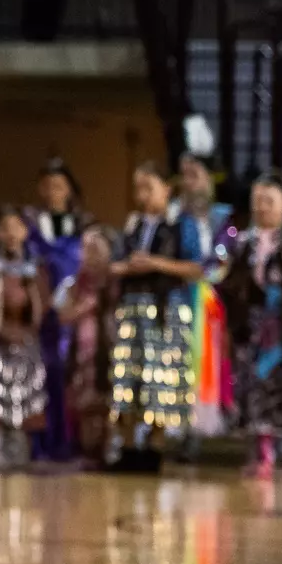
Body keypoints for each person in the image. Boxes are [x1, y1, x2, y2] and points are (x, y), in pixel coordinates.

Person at [219, 176, 282, 477]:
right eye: (258, 201)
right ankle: (262, 451)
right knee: (253, 385)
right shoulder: (243, 242)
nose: (262, 207)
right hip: (254, 326)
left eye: (269, 201)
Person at [107, 162, 204, 469]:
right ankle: (126, 444)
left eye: (149, 187)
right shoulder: (134, 223)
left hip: (166, 309)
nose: (143, 195)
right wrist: (123, 268)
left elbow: (195, 268)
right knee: (129, 374)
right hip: (133, 306)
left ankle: (156, 444)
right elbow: (118, 261)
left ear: (167, 189)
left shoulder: (182, 224)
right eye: (139, 188)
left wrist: (155, 264)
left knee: (160, 377)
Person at [26, 158, 90, 460]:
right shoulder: (31, 226)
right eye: (48, 186)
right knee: (42, 373)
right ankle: (43, 442)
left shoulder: (84, 225)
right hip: (42, 308)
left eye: (60, 186)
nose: (54, 192)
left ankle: (73, 441)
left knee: (72, 372)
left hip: (73, 309)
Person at [176, 115, 233, 439]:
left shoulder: (222, 218)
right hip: (176, 298)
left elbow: (221, 261)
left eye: (195, 175)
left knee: (204, 364)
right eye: (184, 176)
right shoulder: (174, 214)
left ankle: (200, 426)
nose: (189, 183)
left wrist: (201, 274)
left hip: (208, 303)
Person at [0, 208, 49, 465]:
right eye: (4, 227)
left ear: (26, 232)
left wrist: (27, 330)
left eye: (16, 227)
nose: (10, 233)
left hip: (27, 340)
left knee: (28, 394)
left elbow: (43, 303)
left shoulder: (35, 266)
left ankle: (25, 450)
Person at [55, 225, 117, 463]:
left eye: (97, 249)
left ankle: (105, 449)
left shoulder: (116, 283)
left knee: (105, 402)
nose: (90, 255)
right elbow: (61, 315)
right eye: (86, 249)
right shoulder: (72, 285)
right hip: (78, 353)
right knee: (81, 403)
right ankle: (84, 449)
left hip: (108, 351)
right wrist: (84, 307)